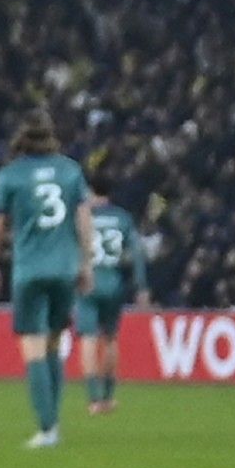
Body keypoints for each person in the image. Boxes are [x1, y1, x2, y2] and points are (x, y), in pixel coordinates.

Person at [0, 116, 96, 448]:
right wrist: (86, 263)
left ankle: (47, 429)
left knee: (32, 345)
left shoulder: (9, 176)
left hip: (29, 270)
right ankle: (54, 420)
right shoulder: (71, 171)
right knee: (54, 342)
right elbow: (84, 219)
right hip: (64, 268)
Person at [76, 174, 149, 414]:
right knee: (110, 338)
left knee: (88, 339)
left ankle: (94, 398)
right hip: (114, 283)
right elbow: (137, 252)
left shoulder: (83, 215)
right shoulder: (123, 218)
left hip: (88, 282)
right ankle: (108, 396)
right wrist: (141, 286)